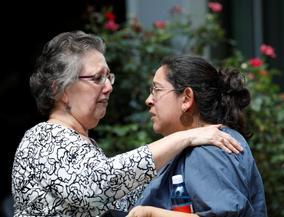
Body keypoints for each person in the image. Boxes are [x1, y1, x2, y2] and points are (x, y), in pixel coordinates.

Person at [11, 31, 242, 216]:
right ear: (59, 89)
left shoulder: (84, 148)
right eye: (96, 78)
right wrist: (187, 136)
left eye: (108, 77)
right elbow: (97, 187)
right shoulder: (42, 138)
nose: (109, 86)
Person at [127, 55, 267, 217]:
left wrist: (150, 214)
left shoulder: (209, 149)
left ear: (186, 98)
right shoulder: (197, 146)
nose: (149, 100)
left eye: (157, 90)